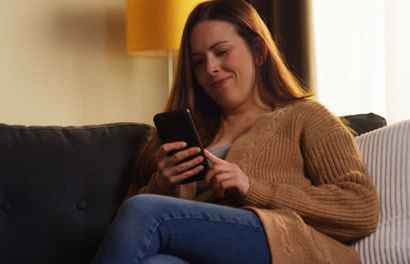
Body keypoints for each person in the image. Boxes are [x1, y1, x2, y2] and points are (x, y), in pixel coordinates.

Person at [92, 0, 379, 263]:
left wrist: (252, 188)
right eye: (198, 61)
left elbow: (361, 209)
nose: (211, 68)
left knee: (145, 211)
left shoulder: (306, 116)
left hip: (281, 248)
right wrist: (162, 184)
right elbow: (128, 229)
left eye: (222, 52)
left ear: (258, 51)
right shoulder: (181, 136)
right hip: (198, 253)